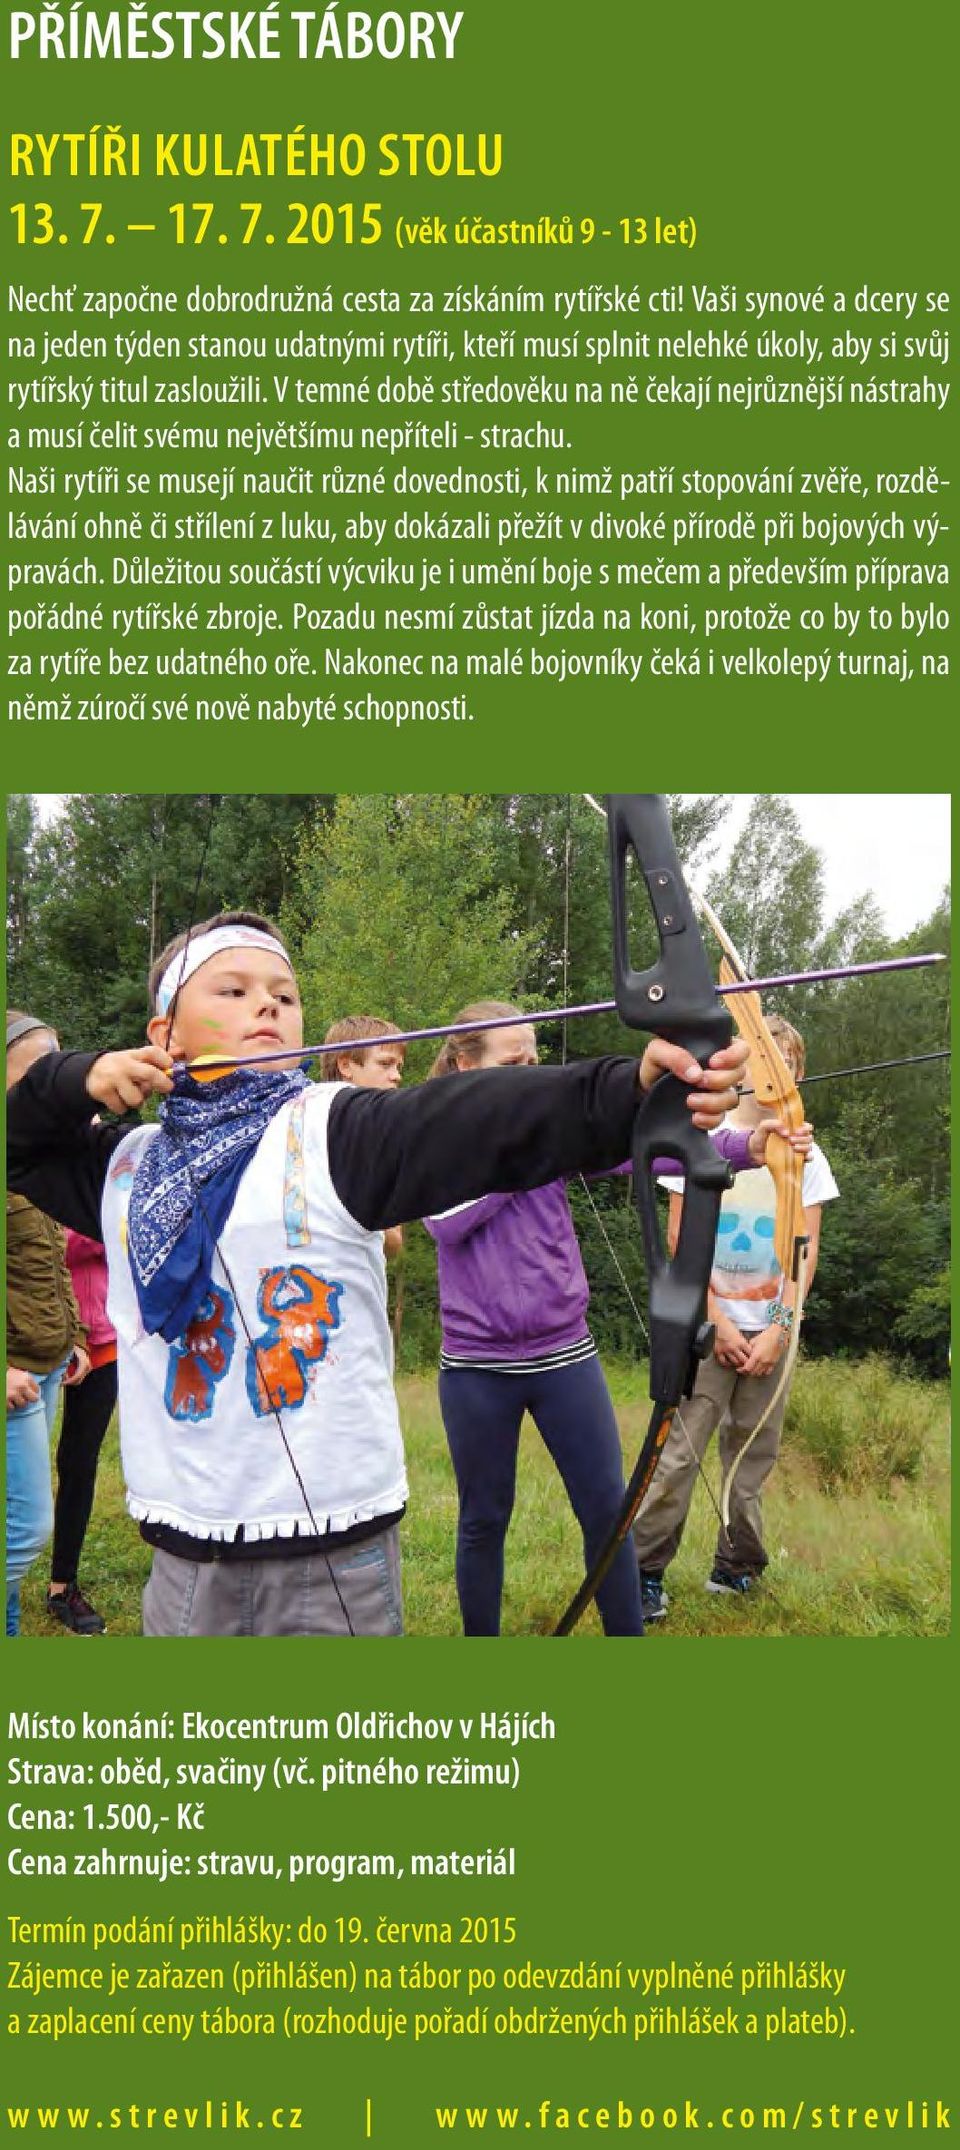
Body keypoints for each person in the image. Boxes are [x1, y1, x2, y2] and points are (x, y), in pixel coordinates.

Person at [6, 914, 753, 1640]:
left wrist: (626, 1089)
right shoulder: (124, 1166)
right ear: (163, 1036)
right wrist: (72, 1080)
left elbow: (475, 1118)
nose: (267, 1001)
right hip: (185, 1552)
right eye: (231, 991)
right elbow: (19, 1145)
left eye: (285, 993)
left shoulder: (334, 1127)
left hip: (334, 1554)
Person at [423, 1003, 814, 1639]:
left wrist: (748, 1145)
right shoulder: (437, 1132)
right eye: (511, 1061)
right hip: (475, 1367)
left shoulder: (550, 1125)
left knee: (608, 1512)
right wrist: (525, 1149)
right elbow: (445, 1220)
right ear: (466, 1063)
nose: (529, 1071)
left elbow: (651, 1150)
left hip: (563, 1356)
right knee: (483, 1518)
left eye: (533, 1059)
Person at [633, 1013, 838, 1617]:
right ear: (741, 1071)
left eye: (785, 1066)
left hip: (771, 1324)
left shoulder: (806, 1154)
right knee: (678, 1455)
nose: (771, 1079)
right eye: (760, 1065)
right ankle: (644, 1571)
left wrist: (779, 1326)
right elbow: (679, 1243)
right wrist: (715, 1322)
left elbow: (805, 1251)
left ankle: (738, 1564)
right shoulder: (705, 1136)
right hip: (709, 1322)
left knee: (751, 1455)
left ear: (795, 1075)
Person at [6, 1013, 90, 1638]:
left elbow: (52, 1259)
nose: (51, 1080)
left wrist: (78, 1338)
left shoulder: (39, 1158)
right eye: (38, 1068)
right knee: (27, 1527)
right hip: (14, 1376)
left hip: (51, 1364)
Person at [46, 1230, 118, 1634]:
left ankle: (62, 1586)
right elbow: (52, 1243)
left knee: (78, 1463)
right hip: (36, 1345)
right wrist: (101, 1227)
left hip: (103, 1343)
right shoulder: (42, 1179)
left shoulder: (107, 1177)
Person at [320, 1016, 406, 1258]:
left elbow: (393, 1243)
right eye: (385, 1064)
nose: (396, 1076)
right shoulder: (303, 1121)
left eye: (399, 1066)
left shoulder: (384, 1136)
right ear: (346, 1066)